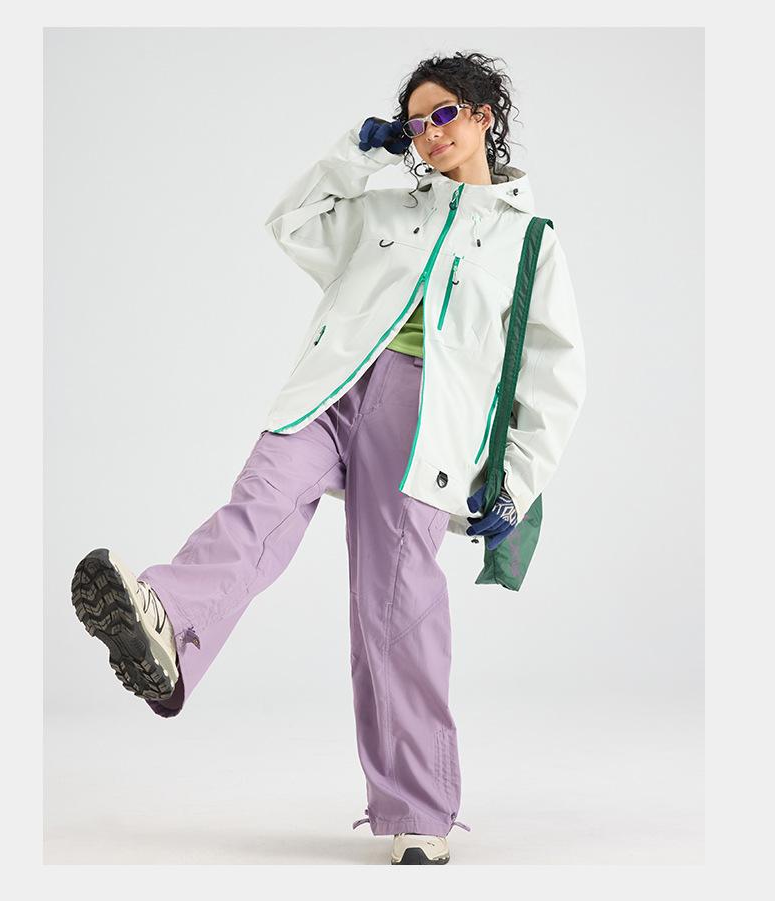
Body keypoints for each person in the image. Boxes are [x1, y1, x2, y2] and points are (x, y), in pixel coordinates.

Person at [71, 50, 586, 866]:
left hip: (424, 417)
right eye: (416, 124)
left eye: (444, 114)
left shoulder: (529, 243)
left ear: (484, 114)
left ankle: (419, 809)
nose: (429, 134)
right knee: (257, 505)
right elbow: (293, 221)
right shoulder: (386, 204)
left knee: (395, 603)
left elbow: (555, 379)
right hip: (333, 384)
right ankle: (166, 627)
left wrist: (517, 486)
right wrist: (359, 150)